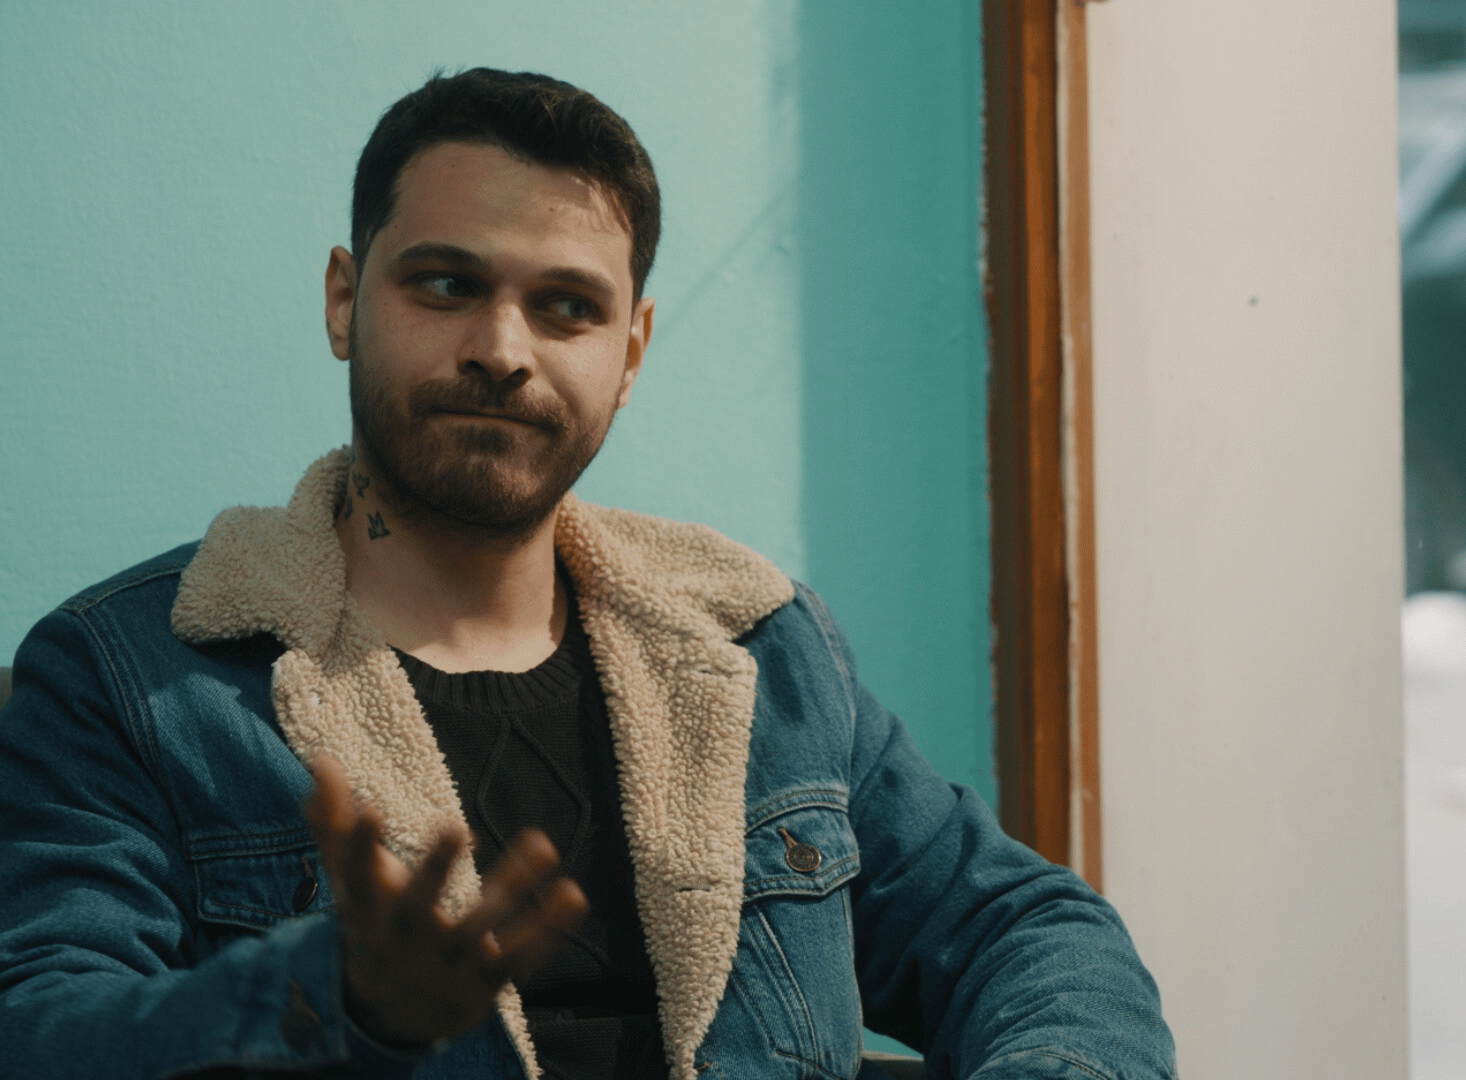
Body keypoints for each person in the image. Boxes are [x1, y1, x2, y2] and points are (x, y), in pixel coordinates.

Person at [0, 68, 1175, 1080]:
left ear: (630, 354)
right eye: (447, 285)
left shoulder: (759, 649)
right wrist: (335, 1001)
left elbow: (1027, 930)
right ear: (345, 302)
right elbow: (41, 1028)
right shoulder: (133, 677)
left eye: (566, 308)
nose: (501, 351)